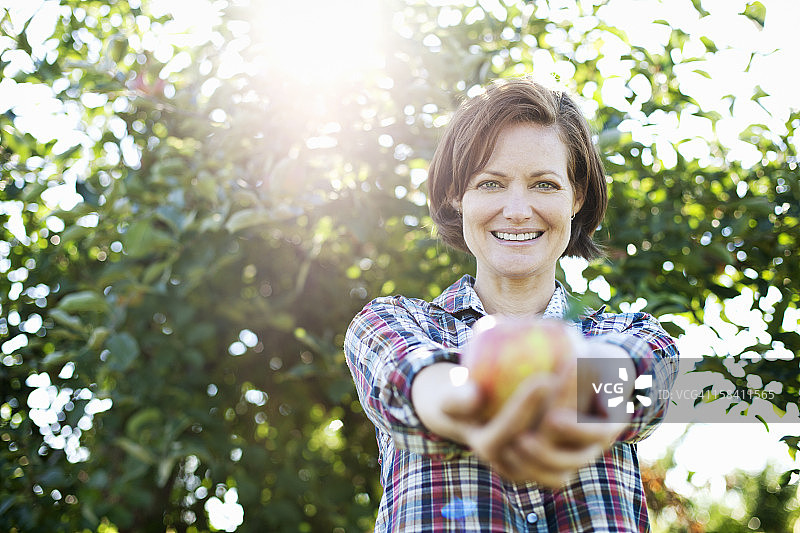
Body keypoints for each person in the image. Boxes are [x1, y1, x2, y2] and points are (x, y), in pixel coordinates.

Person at [344, 77, 679, 532]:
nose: (518, 210)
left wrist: (569, 394)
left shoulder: (629, 335)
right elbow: (412, 381)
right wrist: (470, 405)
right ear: (456, 196)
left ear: (576, 197)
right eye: (490, 183)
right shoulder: (392, 322)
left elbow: (645, 379)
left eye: (544, 184)